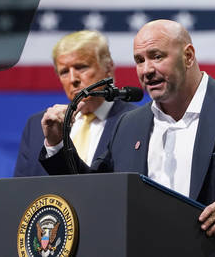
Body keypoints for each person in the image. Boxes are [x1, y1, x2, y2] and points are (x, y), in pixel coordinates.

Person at [40, 20, 215, 256]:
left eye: (156, 56)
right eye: (140, 60)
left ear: (188, 56)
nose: (146, 70)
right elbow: (95, 191)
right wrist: (57, 145)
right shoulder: (129, 124)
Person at [13, 30, 137, 177]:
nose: (73, 79)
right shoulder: (37, 126)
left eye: (81, 67)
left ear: (108, 68)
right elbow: (22, 189)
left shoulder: (133, 122)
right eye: (64, 72)